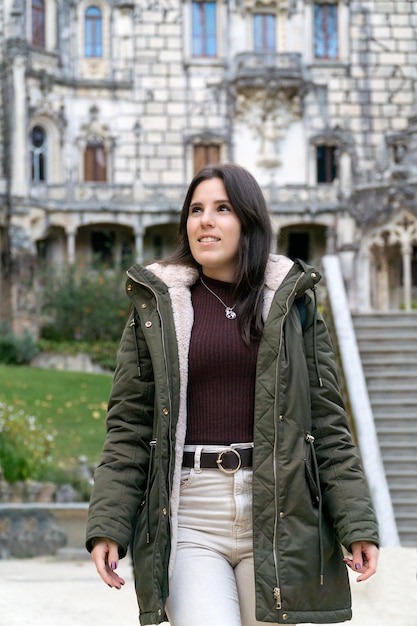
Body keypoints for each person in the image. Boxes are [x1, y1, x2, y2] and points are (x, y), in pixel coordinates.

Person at [86, 163, 379, 626]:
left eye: (222, 208)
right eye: (196, 209)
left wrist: (357, 524)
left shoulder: (293, 304)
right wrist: (108, 523)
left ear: (248, 221)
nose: (205, 220)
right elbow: (129, 426)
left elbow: (326, 424)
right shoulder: (157, 307)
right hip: (191, 513)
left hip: (280, 511)